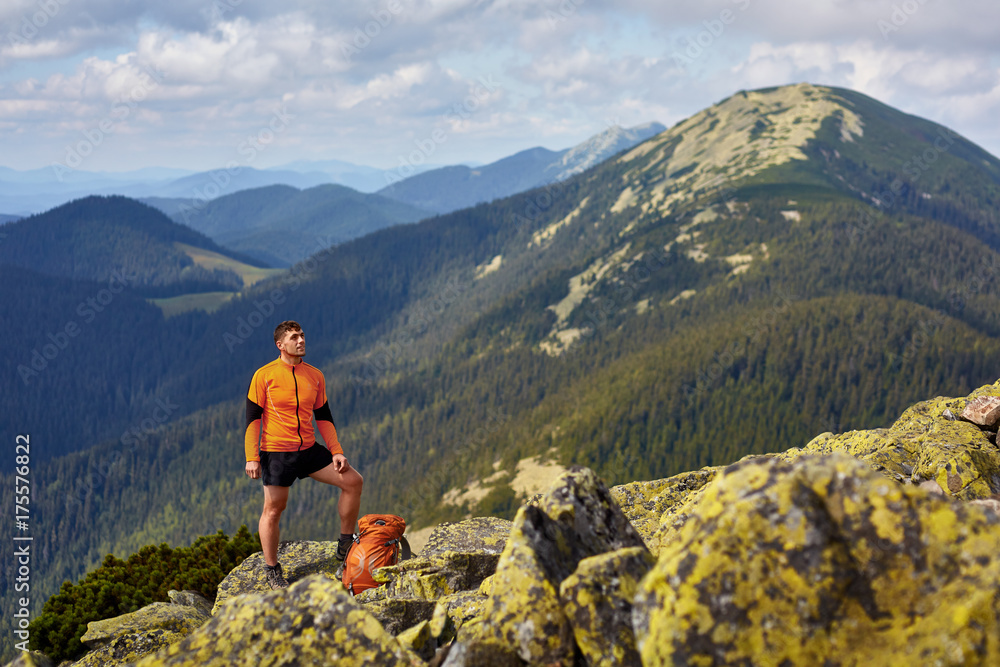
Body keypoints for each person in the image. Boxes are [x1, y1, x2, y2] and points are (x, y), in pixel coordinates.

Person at [244, 320, 364, 589]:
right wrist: (252, 457)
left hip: (309, 450)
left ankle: (345, 543)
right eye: (294, 337)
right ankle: (272, 568)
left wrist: (337, 451)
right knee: (274, 509)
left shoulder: (315, 375)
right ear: (280, 345)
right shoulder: (264, 375)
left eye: (302, 335)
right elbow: (253, 419)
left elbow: (323, 416)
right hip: (277, 452)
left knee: (353, 482)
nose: (301, 340)